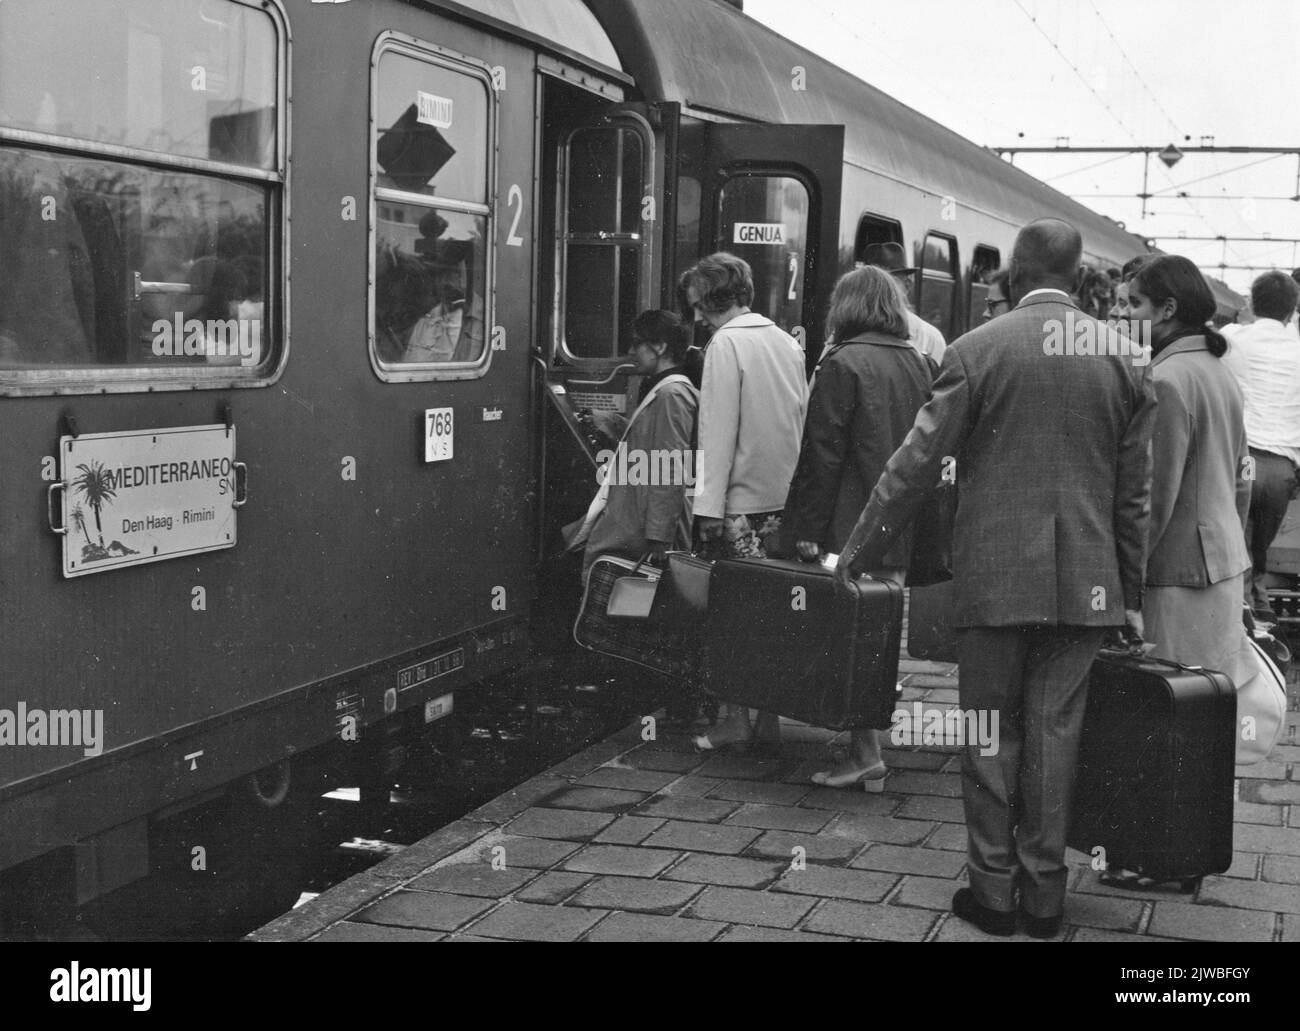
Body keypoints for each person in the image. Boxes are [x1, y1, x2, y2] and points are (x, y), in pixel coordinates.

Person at [835, 218, 1153, 938]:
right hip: (1089, 585)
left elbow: (913, 466)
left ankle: (993, 892)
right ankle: (1046, 898)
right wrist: (1129, 597)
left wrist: (857, 549)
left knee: (987, 732)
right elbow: (1135, 498)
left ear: (1013, 270)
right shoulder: (1130, 359)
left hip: (993, 579)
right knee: (1055, 732)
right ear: (1077, 277)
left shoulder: (976, 350)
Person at [782, 266, 931, 788]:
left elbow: (821, 455)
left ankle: (864, 752)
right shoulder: (920, 362)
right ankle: (867, 745)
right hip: (900, 525)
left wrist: (804, 526)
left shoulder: (842, 364)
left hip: (850, 525)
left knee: (852, 636)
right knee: (880, 634)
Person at [683, 252, 809, 752]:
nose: (694, 315)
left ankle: (735, 721)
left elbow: (717, 432)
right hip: (780, 501)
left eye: (696, 303)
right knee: (772, 616)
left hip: (735, 506)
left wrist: (707, 508)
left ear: (713, 297)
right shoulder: (785, 342)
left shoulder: (725, 344)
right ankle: (769, 720)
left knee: (732, 617)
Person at [576, 310, 699, 571]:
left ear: (660, 347)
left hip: (646, 531)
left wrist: (659, 535)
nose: (632, 351)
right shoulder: (667, 390)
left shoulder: (672, 395)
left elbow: (670, 467)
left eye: (637, 343)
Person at [1220, 271, 1300, 622]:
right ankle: (1264, 619)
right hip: (1281, 472)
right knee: (1258, 556)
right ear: (1292, 309)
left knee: (1239, 558)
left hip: (1244, 463)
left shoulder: (1234, 338)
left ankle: (1249, 628)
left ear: (1252, 302)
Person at [861, 242, 947, 367]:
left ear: (907, 285)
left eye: (890, 283)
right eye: (872, 284)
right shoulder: (930, 337)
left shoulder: (930, 338)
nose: (879, 291)